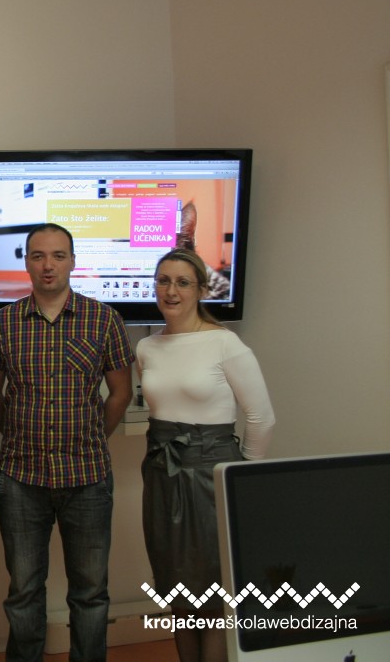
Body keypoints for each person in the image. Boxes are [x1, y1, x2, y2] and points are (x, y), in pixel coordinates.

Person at [0, 223, 134, 662]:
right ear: (27, 263)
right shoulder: (3, 323)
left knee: (90, 592)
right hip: (21, 478)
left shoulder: (104, 319)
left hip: (88, 478)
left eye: (58, 255)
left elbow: (120, 393)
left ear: (72, 261)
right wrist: (15, 435)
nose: (48, 265)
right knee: (23, 590)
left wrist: (93, 436)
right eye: (38, 256)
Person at [137, 249, 274, 662]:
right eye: (163, 281)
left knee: (212, 595)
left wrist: (240, 481)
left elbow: (261, 419)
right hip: (162, 473)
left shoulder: (224, 342)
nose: (171, 291)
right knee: (176, 588)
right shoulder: (146, 347)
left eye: (182, 282)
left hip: (212, 474)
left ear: (200, 290)